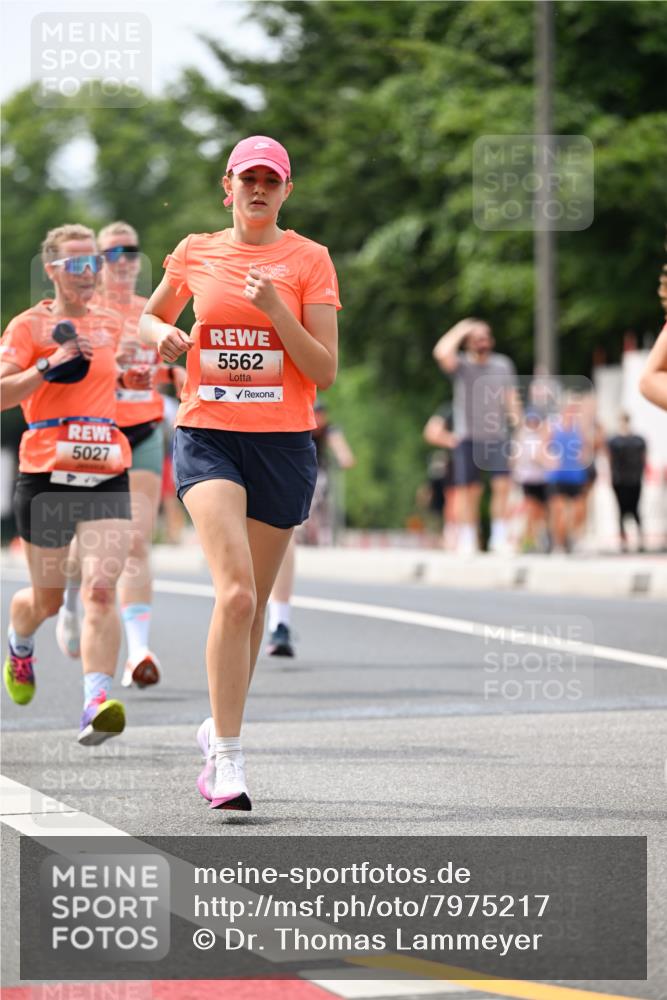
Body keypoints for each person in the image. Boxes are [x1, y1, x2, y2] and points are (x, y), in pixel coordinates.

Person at [139, 136, 341, 810]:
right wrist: (162, 337)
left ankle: (217, 726)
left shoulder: (309, 259)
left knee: (251, 603)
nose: (258, 189)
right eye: (247, 178)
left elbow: (323, 370)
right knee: (235, 596)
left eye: (270, 180)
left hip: (283, 444)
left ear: (286, 191)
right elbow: (149, 316)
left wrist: (277, 309)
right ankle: (227, 759)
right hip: (209, 437)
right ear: (227, 186)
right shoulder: (196, 251)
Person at [0, 223, 132, 744]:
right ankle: (20, 638)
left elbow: (126, 375)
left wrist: (141, 380)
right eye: (77, 264)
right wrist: (46, 368)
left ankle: (95, 703)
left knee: (99, 589)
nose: (88, 273)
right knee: (47, 601)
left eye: (94, 263)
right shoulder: (28, 326)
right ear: (53, 270)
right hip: (46, 474)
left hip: (105, 468)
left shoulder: (110, 323)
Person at [55, 221, 185, 688]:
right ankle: (70, 600)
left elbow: (166, 372)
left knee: (135, 541)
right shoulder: (85, 312)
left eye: (131, 251)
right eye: (113, 253)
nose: (125, 261)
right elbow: (65, 377)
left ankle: (138, 651)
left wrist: (180, 375)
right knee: (84, 546)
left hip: (144, 432)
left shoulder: (151, 311)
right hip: (96, 435)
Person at [266, 399, 355, 657]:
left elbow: (341, 448)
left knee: (285, 531)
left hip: (311, 473)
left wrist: (344, 456)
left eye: (321, 414)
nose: (319, 419)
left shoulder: (327, 430)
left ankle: (279, 622)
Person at [432, 318, 521, 554]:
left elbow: (511, 399)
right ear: (467, 342)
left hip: (497, 436)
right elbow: (441, 352)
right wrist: (463, 327)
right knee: (469, 491)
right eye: (476, 338)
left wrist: (518, 431)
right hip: (467, 436)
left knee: (502, 486)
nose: (482, 341)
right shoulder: (461, 365)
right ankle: (468, 538)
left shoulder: (503, 365)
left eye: (485, 337)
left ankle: (499, 537)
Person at [544, 396, 591, 553]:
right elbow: (542, 448)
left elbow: (586, 447)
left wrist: (584, 455)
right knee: (559, 511)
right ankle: (558, 544)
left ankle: (571, 539)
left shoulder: (580, 427)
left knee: (579, 511)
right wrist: (549, 459)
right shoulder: (552, 426)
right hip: (557, 476)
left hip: (576, 476)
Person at [607, 414, 647, 552]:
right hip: (620, 480)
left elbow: (643, 459)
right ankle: (624, 540)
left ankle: (640, 539)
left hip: (634, 479)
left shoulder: (638, 441)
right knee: (621, 510)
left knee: (635, 509)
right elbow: (611, 460)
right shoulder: (614, 441)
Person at [511, 408, 549, 552]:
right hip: (527, 478)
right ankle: (527, 541)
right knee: (530, 510)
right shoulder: (522, 436)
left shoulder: (542, 435)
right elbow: (517, 458)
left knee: (540, 512)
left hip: (541, 478)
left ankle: (535, 539)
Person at [422, 403, 458, 550]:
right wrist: (454, 441)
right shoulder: (451, 409)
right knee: (453, 498)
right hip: (454, 463)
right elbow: (430, 432)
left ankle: (460, 535)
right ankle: (452, 535)